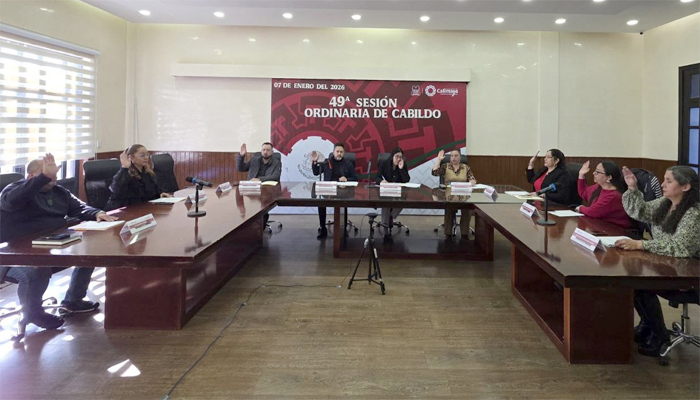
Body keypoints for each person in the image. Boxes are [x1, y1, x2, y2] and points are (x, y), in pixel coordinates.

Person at [0, 154, 118, 329]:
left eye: (54, 173)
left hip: (49, 245)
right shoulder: (14, 190)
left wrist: (97, 213)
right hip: (13, 255)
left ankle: (74, 300)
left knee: (90, 253)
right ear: (31, 175)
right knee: (36, 271)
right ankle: (33, 314)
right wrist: (43, 178)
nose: (53, 177)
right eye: (47, 173)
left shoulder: (59, 192)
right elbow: (11, 202)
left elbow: (79, 207)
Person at [616, 165, 700, 357]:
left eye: (668, 181)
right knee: (633, 278)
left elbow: (681, 248)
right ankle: (648, 325)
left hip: (691, 273)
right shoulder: (665, 203)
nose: (662, 184)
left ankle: (659, 335)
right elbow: (639, 211)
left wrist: (642, 244)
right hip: (669, 264)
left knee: (642, 284)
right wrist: (632, 188)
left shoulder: (693, 213)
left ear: (685, 186)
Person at [105, 144, 172, 210]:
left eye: (147, 154)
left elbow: (151, 192)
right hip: (124, 211)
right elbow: (117, 191)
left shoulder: (147, 173)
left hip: (142, 209)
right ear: (131, 158)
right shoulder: (125, 173)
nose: (146, 157)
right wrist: (124, 168)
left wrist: (160, 194)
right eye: (142, 155)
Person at [311, 143, 357, 239]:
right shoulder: (327, 162)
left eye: (341, 152)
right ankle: (323, 228)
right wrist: (315, 162)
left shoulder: (348, 163)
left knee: (343, 203)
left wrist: (346, 179)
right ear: (333, 152)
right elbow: (316, 172)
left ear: (344, 153)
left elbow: (355, 178)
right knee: (321, 203)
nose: (339, 154)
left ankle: (343, 228)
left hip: (343, 190)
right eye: (337, 151)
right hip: (328, 189)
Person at [431, 149, 477, 237]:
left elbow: (472, 179)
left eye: (456, 156)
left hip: (463, 195)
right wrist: (439, 160)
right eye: (452, 156)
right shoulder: (445, 166)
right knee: (449, 208)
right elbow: (434, 172)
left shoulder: (465, 167)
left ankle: (464, 233)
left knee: (467, 209)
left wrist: (472, 182)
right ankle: (448, 234)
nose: (454, 158)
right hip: (449, 195)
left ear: (460, 157)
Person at [574, 160, 631, 228]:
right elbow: (583, 192)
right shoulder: (599, 187)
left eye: (598, 172)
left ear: (609, 177)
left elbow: (593, 212)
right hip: (601, 226)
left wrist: (581, 208)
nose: (594, 173)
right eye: (595, 170)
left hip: (616, 229)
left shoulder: (614, 196)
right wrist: (581, 175)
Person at [237, 142, 282, 226]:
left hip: (268, 192)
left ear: (272, 152)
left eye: (268, 150)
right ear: (261, 151)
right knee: (251, 210)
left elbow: (275, 176)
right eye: (263, 150)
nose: (265, 152)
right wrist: (241, 156)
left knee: (262, 210)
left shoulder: (276, 162)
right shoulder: (254, 160)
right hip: (252, 190)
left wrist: (259, 179)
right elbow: (241, 168)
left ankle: (260, 227)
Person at [376, 147, 411, 236]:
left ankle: (390, 216)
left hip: (398, 191)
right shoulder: (384, 163)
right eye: (397, 156)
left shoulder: (403, 165)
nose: (398, 159)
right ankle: (385, 225)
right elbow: (376, 177)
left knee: (403, 200)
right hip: (387, 190)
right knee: (386, 202)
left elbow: (406, 179)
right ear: (392, 156)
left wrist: (401, 169)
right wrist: (381, 181)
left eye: (400, 157)